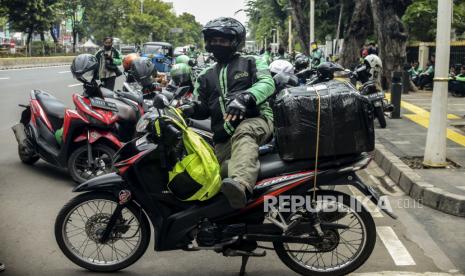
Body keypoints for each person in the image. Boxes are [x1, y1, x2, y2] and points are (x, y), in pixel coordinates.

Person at [180, 17, 275, 208]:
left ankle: (241, 184)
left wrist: (245, 97)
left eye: (222, 40)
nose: (217, 44)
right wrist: (190, 109)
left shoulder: (252, 61)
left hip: (257, 120)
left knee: (245, 131)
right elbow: (203, 108)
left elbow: (267, 83)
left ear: (234, 42)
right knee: (214, 172)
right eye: (213, 40)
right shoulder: (205, 75)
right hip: (223, 135)